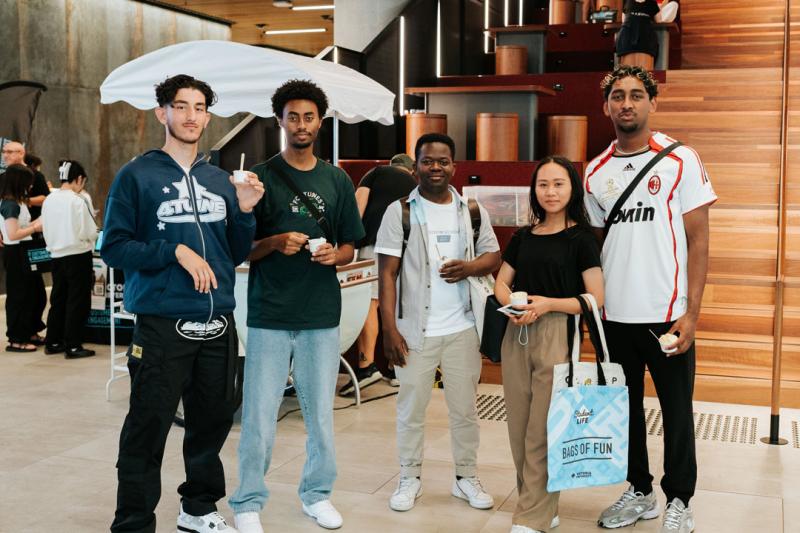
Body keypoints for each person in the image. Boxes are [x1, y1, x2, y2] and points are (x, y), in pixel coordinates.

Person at [102, 74, 263, 533]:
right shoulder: (137, 175)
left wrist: (247, 211)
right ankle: (133, 522)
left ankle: (198, 510)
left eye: (199, 107)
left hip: (218, 322)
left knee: (211, 425)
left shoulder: (219, 178)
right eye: (181, 106)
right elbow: (113, 247)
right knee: (147, 428)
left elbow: (233, 252)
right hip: (161, 324)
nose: (191, 116)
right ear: (162, 113)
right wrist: (173, 250)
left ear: (208, 115)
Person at [229, 79, 364, 533]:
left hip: (320, 314)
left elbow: (351, 247)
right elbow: (240, 248)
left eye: (309, 116)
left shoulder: (337, 179)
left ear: (320, 122)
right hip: (268, 313)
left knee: (320, 416)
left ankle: (317, 494)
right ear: (279, 121)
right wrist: (274, 241)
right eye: (292, 116)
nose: (301, 124)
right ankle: (247, 501)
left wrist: (334, 256)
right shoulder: (260, 178)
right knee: (260, 415)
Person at [584, 65, 715, 533]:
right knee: (626, 413)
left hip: (666, 315)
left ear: (652, 103)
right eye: (618, 95)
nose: (627, 103)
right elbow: (596, 249)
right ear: (606, 107)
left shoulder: (681, 159)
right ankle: (639, 491)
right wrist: (591, 308)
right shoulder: (595, 171)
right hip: (614, 316)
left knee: (677, 412)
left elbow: (698, 240)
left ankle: (679, 498)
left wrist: (692, 314)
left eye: (637, 95)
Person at [376, 132, 502, 513]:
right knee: (410, 409)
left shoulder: (472, 211)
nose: (435, 168)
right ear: (415, 167)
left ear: (454, 166)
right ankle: (409, 477)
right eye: (428, 161)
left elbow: (493, 257)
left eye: (442, 161)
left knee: (464, 411)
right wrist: (389, 330)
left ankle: (465, 478)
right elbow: (386, 274)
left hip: (463, 328)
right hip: (416, 331)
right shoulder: (400, 211)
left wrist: (469, 268)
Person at [493, 156, 604, 533]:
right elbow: (501, 282)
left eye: (558, 184)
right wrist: (512, 302)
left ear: (572, 188)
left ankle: (531, 517)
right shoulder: (524, 236)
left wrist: (547, 304)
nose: (550, 192)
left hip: (559, 334)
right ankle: (542, 507)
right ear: (534, 189)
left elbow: (595, 298)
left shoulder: (582, 238)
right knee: (519, 428)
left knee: (543, 430)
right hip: (516, 333)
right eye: (543, 184)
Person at [338, 153, 417, 396]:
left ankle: (366, 367)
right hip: (409, 250)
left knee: (370, 303)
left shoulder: (376, 172)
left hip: (376, 247)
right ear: (411, 170)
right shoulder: (417, 185)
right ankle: (397, 369)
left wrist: (345, 243)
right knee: (400, 305)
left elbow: (356, 208)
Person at [41, 159, 98, 358]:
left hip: (56, 255)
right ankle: (73, 345)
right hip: (77, 254)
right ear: (79, 179)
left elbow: (45, 227)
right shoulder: (77, 200)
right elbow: (89, 231)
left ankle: (53, 341)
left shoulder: (49, 199)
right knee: (78, 301)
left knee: (58, 299)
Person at [1, 140, 48, 344]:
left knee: (34, 293)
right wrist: (35, 227)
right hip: (16, 251)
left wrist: (37, 223)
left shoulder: (17, 201)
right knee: (19, 296)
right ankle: (17, 338)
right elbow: (13, 234)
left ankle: (29, 331)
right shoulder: (11, 204)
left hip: (25, 249)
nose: (30, 186)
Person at [616, 0, 661, 71]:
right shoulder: (652, 2)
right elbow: (659, 20)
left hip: (639, 40)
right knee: (638, 73)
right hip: (636, 40)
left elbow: (624, 21)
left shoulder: (651, 2)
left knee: (634, 73)